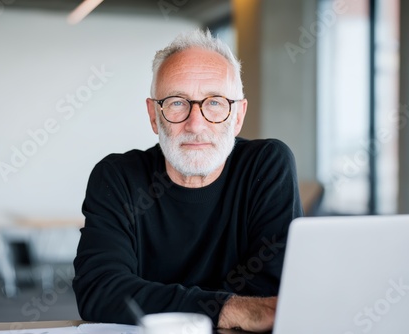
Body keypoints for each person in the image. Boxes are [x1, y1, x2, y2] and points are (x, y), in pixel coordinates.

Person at [73, 29, 303, 332]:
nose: (196, 124)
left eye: (215, 103)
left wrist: (162, 304)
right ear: (155, 115)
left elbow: (273, 298)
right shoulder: (117, 178)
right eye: (177, 103)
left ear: (238, 116)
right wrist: (230, 307)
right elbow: (100, 290)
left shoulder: (266, 165)